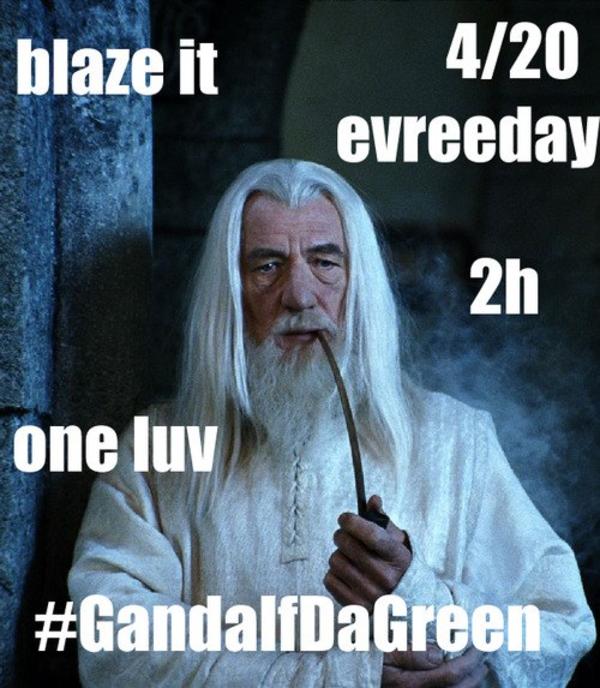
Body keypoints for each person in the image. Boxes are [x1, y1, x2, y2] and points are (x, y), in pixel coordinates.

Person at [68, 159, 595, 687]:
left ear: (358, 284)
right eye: (267, 266)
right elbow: (113, 644)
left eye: (324, 262)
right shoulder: (157, 451)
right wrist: (341, 678)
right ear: (230, 294)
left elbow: (562, 627)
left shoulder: (456, 441)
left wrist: (422, 601)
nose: (299, 295)